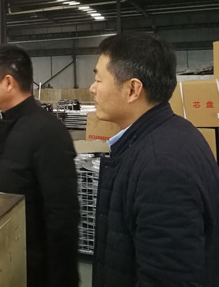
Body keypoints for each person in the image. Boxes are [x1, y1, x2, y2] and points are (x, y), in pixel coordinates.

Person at [90, 32, 219, 286]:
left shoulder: (160, 167)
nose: (92, 88)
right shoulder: (176, 132)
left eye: (98, 79)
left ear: (132, 89)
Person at [0, 44, 79, 287]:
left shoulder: (47, 133)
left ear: (8, 82)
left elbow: (62, 217)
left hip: (36, 271)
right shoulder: (9, 125)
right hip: (10, 260)